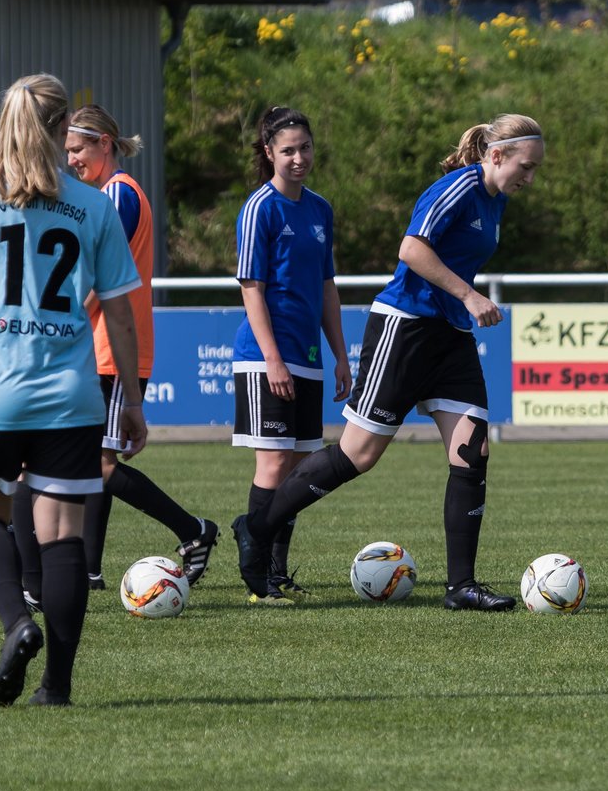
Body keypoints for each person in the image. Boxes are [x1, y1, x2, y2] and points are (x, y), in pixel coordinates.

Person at [232, 114, 545, 611]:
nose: (530, 178)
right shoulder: (457, 189)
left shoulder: (495, 200)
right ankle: (257, 527)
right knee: (359, 455)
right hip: (405, 328)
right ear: (497, 155)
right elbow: (411, 249)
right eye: (525, 167)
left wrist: (461, 305)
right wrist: (469, 295)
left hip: (450, 336)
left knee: (472, 452)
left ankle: (461, 587)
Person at [0, 73, 147, 707]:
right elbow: (122, 314)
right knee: (63, 536)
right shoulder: (93, 205)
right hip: (72, 396)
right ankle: (59, 685)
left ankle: (17, 625)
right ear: (59, 130)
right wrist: (130, 399)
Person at [11, 105, 218, 598]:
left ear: (105, 143)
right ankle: (89, 569)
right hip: (107, 347)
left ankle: (192, 529)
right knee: (97, 465)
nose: (71, 160)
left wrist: (62, 327)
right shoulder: (109, 194)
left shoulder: (119, 195)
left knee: (99, 467)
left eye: (78, 149)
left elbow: (98, 277)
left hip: (109, 350)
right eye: (67, 152)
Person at [231, 106, 352, 605]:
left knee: (301, 471)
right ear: (268, 153)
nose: (299, 158)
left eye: (305, 147)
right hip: (265, 357)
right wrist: (273, 360)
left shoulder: (320, 210)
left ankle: (276, 571)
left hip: (308, 357)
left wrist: (341, 357)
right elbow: (251, 287)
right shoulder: (261, 207)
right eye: (288, 150)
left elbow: (326, 288)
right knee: (275, 463)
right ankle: (256, 567)